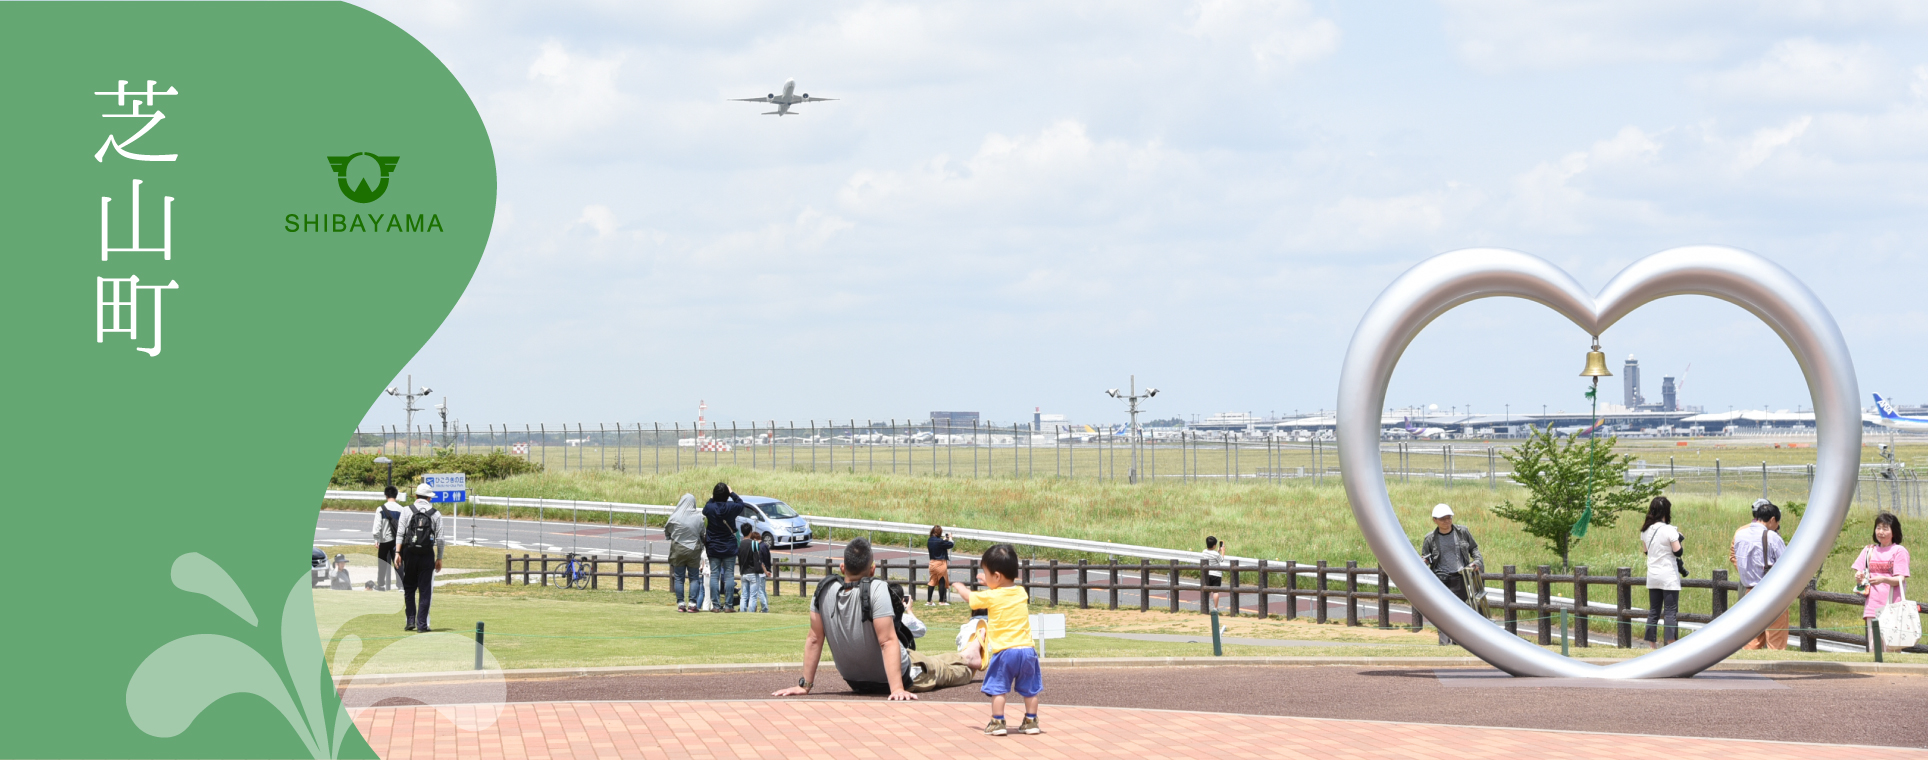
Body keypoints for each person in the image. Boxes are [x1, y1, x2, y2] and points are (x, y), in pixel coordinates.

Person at [770, 537, 975, 700]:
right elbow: (887, 641)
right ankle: (970, 660)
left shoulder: (823, 590)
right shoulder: (876, 587)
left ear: (842, 567)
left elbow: (814, 639)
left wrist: (804, 685)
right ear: (872, 569)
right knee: (941, 671)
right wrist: (897, 688)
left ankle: (965, 655)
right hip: (901, 674)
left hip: (856, 681)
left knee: (931, 660)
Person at [951, 543, 1042, 737]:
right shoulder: (1021, 592)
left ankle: (998, 722)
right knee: (1030, 689)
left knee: (999, 689)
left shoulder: (991, 596)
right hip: (1027, 651)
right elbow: (1003, 591)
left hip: (1005, 652)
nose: (985, 576)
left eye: (987, 573)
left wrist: (960, 587)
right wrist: (990, 582)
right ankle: (1031, 721)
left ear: (997, 576)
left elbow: (971, 598)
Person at [1419, 504, 1484, 646]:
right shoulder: (1430, 538)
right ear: (1435, 520)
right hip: (1439, 579)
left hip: (1460, 577)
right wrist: (1424, 562)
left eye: (1449, 517)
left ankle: (1458, 641)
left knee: (1460, 611)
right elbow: (1425, 557)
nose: (1447, 521)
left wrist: (1477, 561)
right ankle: (1444, 644)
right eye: (1443, 519)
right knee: (1442, 611)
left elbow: (1474, 549)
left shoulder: (1463, 532)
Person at [1731, 499, 1788, 650]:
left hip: (1749, 591)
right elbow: (1786, 565)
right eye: (1777, 523)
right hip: (1772, 593)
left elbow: (1734, 557)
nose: (1777, 527)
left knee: (1752, 639)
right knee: (1776, 639)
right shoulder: (1772, 537)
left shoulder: (1740, 535)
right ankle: (1775, 665)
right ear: (1772, 520)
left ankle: (1748, 664)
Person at [1852, 512, 1911, 652]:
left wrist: (1883, 579)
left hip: (1892, 606)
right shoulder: (1869, 550)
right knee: (1874, 648)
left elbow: (1900, 578)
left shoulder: (1899, 551)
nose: (1881, 532)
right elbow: (1860, 573)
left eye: (1885, 528)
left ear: (1894, 532)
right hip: (1872, 605)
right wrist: (1859, 577)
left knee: (1891, 648)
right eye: (1878, 528)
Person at [395, 483, 445, 632]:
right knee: (425, 589)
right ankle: (422, 625)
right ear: (429, 498)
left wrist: (397, 553)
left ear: (416, 496)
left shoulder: (406, 510)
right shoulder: (436, 514)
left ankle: (410, 620)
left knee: (409, 587)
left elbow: (400, 533)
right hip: (427, 554)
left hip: (409, 553)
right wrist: (439, 558)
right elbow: (440, 539)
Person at [1637, 496, 1683, 647]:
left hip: (1653, 575)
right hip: (1668, 575)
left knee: (1654, 611)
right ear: (1666, 511)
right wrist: (1679, 539)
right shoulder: (1670, 530)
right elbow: (1678, 552)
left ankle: (1652, 645)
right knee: (1670, 611)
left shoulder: (1645, 530)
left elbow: (1646, 551)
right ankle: (1671, 644)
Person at [702, 483, 749, 612]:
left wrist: (712, 498)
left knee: (714, 575)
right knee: (729, 575)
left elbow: (704, 509)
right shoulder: (731, 507)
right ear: (727, 495)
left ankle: (716, 605)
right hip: (729, 545)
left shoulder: (710, 507)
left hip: (713, 545)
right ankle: (728, 605)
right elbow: (741, 503)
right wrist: (732, 493)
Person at [664, 494, 705, 612]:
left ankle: (681, 603)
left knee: (679, 577)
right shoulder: (699, 517)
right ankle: (692, 603)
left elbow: (667, 530)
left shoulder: (675, 516)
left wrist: (672, 536)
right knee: (694, 577)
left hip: (678, 548)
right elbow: (702, 533)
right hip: (694, 549)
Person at [370, 486, 402, 592]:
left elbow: (377, 526)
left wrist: (376, 539)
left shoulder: (381, 509)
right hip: (397, 541)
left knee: (382, 563)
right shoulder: (401, 509)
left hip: (384, 540)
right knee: (398, 562)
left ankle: (380, 585)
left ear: (386, 495)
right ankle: (401, 585)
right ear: (396, 495)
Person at [737, 522, 772, 613]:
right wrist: (765, 571)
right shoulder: (754, 544)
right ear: (750, 532)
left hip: (743, 572)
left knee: (744, 595)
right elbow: (758, 560)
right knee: (753, 595)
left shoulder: (740, 544)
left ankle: (742, 611)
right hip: (752, 572)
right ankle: (751, 612)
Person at [926, 526, 955, 606]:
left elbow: (939, 544)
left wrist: (944, 539)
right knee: (942, 581)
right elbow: (951, 545)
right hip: (940, 563)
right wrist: (950, 538)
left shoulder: (930, 540)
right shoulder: (940, 541)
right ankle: (941, 601)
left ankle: (929, 601)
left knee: (932, 581)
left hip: (932, 563)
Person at [1201, 536, 1225, 614]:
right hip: (1216, 574)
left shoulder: (1204, 552)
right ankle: (1215, 608)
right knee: (1215, 591)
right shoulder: (1216, 554)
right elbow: (1221, 560)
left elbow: (1212, 557)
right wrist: (1223, 551)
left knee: (1207, 591)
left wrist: (1217, 551)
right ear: (1214, 545)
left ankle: (1205, 607)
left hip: (1207, 574)